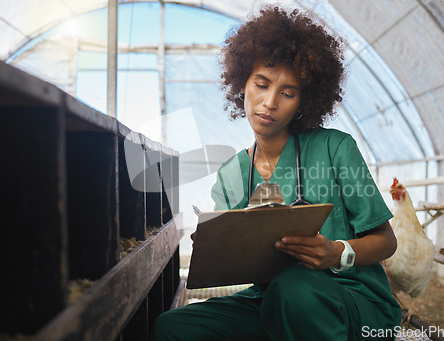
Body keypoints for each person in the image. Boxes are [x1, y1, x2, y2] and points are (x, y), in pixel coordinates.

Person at [153, 6, 401, 341]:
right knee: (172, 328)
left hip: (351, 301)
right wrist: (218, 247)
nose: (270, 102)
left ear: (303, 102)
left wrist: (336, 252)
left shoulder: (335, 149)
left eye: (288, 93)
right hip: (271, 300)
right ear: (243, 84)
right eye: (261, 84)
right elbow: (242, 260)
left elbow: (387, 241)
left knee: (295, 288)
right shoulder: (232, 173)